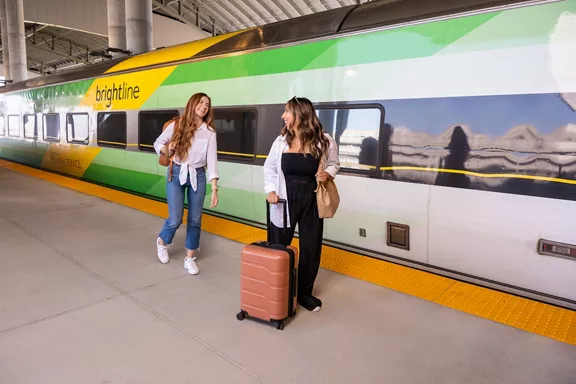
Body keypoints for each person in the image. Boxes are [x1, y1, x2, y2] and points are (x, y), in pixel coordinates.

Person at [263, 96, 340, 312]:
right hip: (283, 201)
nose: (283, 116)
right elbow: (269, 168)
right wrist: (270, 190)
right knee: (279, 247)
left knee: (310, 248)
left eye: (287, 111)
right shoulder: (280, 142)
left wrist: (328, 173)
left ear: (300, 114)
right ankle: (279, 290)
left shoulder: (324, 141)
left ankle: (305, 293)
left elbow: (334, 163)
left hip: (312, 201)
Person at [154, 93, 219, 275]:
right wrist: (167, 149)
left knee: (195, 219)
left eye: (207, 104)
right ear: (192, 104)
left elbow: (212, 162)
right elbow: (157, 143)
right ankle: (162, 242)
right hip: (176, 172)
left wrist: (214, 188)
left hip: (197, 175)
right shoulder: (177, 125)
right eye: (200, 102)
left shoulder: (210, 133)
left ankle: (189, 258)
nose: (204, 106)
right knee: (175, 218)